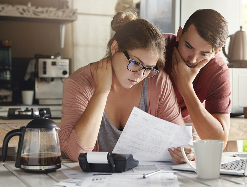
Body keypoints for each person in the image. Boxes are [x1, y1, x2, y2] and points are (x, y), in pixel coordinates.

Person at [58, 12, 193, 162]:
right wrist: (101, 92)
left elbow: (181, 141)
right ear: (115, 48)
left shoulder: (158, 81)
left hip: (144, 181)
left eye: (148, 68)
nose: (140, 75)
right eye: (135, 63)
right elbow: (77, 153)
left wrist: (187, 152)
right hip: (94, 183)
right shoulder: (79, 83)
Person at [165, 9, 231, 163]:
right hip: (145, 117)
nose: (193, 59)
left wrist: (186, 86)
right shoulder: (156, 48)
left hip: (188, 123)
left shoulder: (218, 71)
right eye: (188, 46)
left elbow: (219, 142)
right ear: (179, 34)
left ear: (216, 52)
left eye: (204, 53)